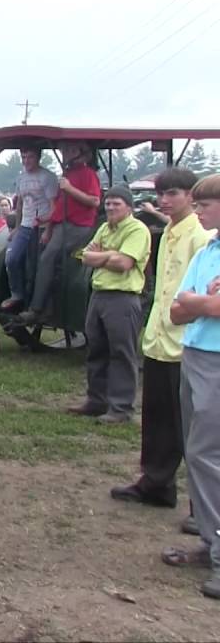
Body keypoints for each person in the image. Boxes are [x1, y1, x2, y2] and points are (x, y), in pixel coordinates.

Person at [111, 168, 211, 510]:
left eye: (173, 194)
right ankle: (156, 482)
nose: (165, 201)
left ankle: (203, 507)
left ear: (190, 196)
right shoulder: (167, 231)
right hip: (159, 338)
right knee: (156, 417)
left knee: (193, 428)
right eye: (162, 194)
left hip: (187, 342)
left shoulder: (199, 236)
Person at [161, 174, 220, 599]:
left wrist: (202, 304)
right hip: (196, 354)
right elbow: (178, 311)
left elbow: (202, 305)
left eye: (205, 204)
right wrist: (205, 303)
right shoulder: (209, 250)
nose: (198, 212)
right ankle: (210, 541)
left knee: (209, 455)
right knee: (198, 454)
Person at [67, 186, 151, 424]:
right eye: (108, 203)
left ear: (129, 206)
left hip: (123, 298)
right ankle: (96, 401)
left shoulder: (137, 230)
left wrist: (100, 256)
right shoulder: (104, 227)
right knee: (96, 349)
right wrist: (107, 255)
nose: (111, 207)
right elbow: (84, 256)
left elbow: (124, 263)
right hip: (99, 294)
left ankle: (121, 408)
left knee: (122, 353)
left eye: (117, 203)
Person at [19, 142, 102, 324]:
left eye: (70, 150)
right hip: (61, 226)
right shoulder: (68, 175)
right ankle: (41, 303)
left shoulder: (88, 174)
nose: (65, 153)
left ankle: (37, 308)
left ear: (82, 154)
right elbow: (58, 207)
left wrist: (70, 188)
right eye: (64, 150)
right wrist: (48, 229)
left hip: (79, 227)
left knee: (48, 258)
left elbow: (95, 201)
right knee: (38, 258)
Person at [1, 146, 59, 312]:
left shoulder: (47, 177)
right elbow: (19, 204)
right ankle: (17, 294)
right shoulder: (21, 178)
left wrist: (48, 229)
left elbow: (53, 206)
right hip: (25, 225)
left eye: (30, 157)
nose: (26, 161)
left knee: (35, 267)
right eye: (24, 157)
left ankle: (38, 304)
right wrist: (17, 227)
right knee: (11, 259)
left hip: (41, 225)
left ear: (38, 157)